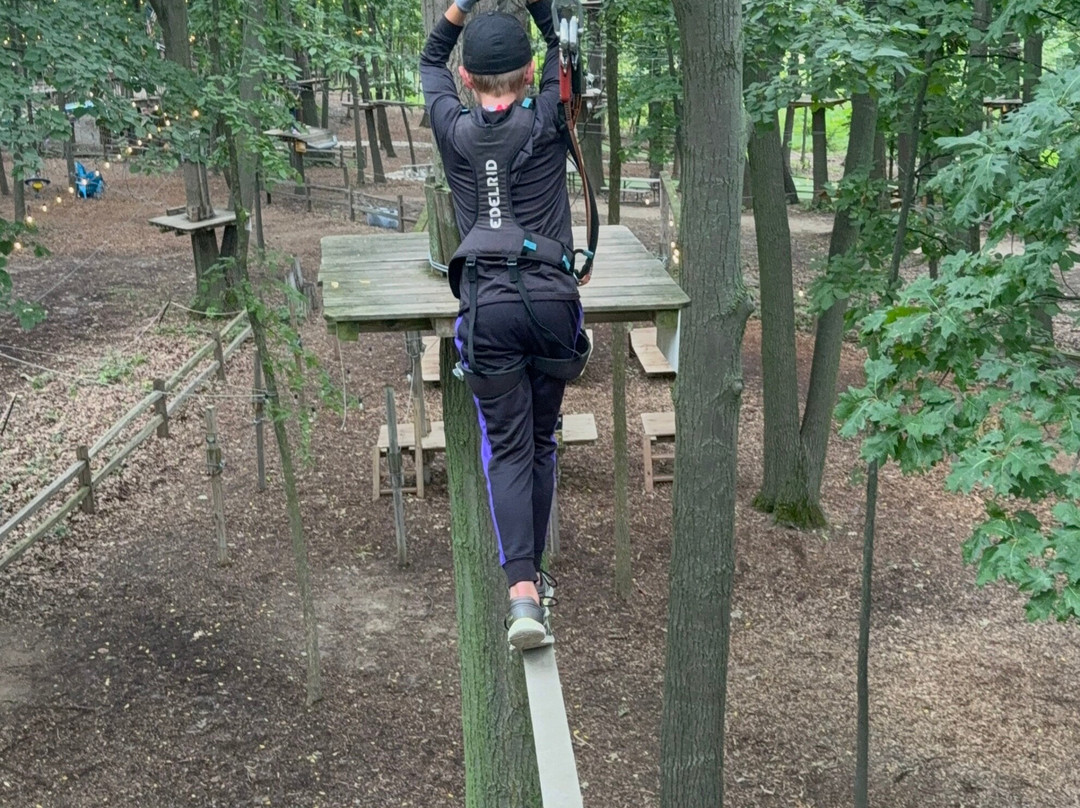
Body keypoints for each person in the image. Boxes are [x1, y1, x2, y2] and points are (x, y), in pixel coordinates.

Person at [420, 0, 593, 650]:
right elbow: (565, 51)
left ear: (468, 82)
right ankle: (532, 585)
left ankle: (522, 590)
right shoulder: (549, 115)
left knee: (511, 447)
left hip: (487, 313)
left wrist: (458, 9)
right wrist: (546, 10)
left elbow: (429, 60)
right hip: (551, 304)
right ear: (528, 75)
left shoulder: (452, 127)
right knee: (541, 440)